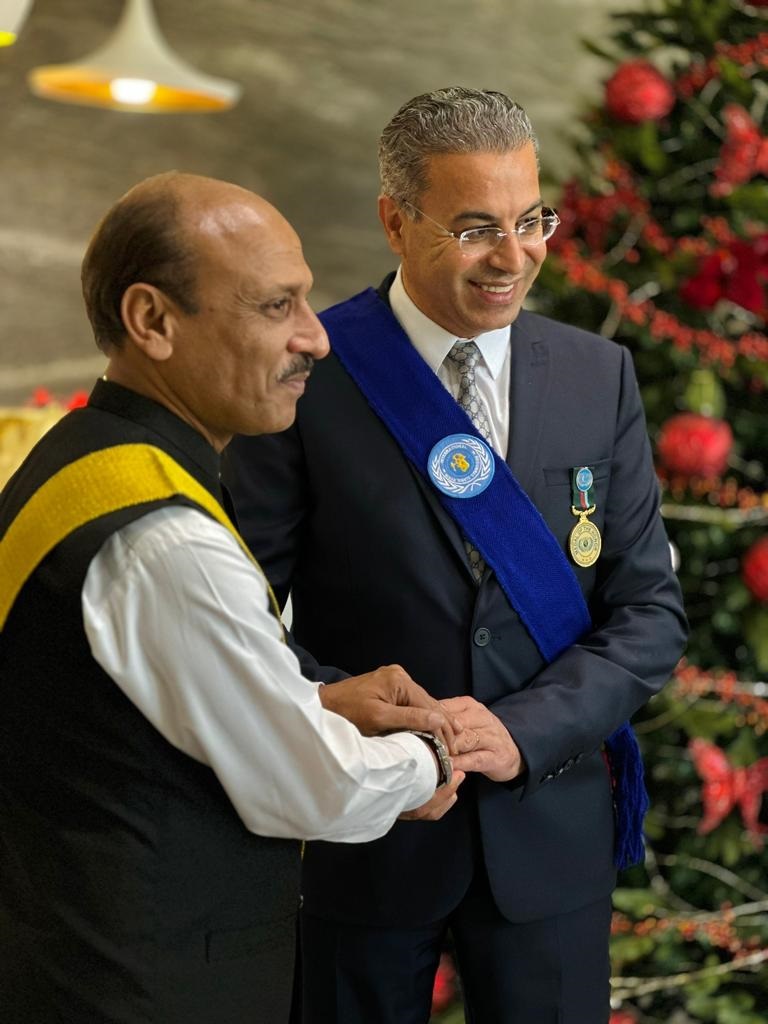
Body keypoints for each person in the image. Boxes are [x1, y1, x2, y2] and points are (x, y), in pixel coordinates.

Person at [224, 88, 688, 1024]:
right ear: (396, 222)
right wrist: (371, 724)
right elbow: (239, 619)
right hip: (367, 832)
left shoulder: (598, 376)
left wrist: (524, 731)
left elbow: (649, 615)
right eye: (476, 229)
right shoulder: (310, 377)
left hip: (548, 833)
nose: (513, 257)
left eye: (531, 221)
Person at [0, 171, 465, 1024]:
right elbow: (316, 785)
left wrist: (311, 701)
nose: (315, 338)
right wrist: (431, 755)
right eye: (275, 306)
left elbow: (116, 708)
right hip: (147, 988)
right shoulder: (165, 540)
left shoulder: (79, 458)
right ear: (152, 321)